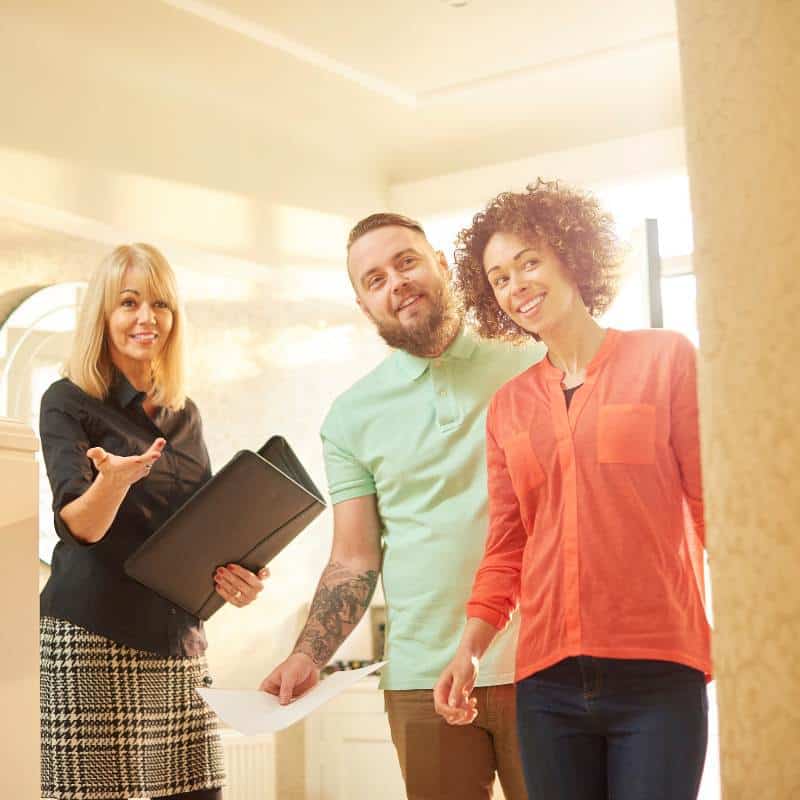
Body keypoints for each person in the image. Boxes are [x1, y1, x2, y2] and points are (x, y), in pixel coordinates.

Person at [434, 180, 712, 800]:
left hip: (659, 669)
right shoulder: (508, 407)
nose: (516, 285)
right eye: (499, 277)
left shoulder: (667, 359)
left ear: (571, 255)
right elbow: (507, 548)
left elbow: (713, 505)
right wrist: (470, 652)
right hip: (547, 684)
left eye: (529, 261)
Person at [260, 213, 543, 799]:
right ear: (365, 305)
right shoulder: (351, 417)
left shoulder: (529, 360)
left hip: (542, 665)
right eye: (375, 278)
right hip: (420, 680)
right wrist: (308, 654)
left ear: (440, 262)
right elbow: (355, 557)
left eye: (406, 261)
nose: (396, 282)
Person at [39, 243, 268, 800]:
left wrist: (244, 575)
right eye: (129, 303)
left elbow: (206, 527)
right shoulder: (67, 402)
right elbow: (80, 525)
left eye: (160, 304)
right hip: (94, 642)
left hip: (179, 650)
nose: (147, 318)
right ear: (103, 316)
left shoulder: (185, 414)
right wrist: (113, 482)